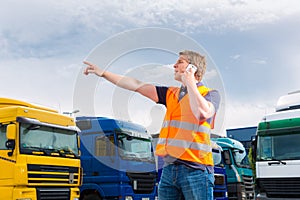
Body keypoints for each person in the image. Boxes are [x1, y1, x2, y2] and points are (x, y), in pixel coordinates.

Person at [83, 50, 220, 200]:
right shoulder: (170, 94)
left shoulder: (210, 94)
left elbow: (202, 113)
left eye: (180, 62)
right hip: (169, 169)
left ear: (193, 68)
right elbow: (136, 84)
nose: (174, 65)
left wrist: (190, 83)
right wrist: (104, 74)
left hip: (196, 170)